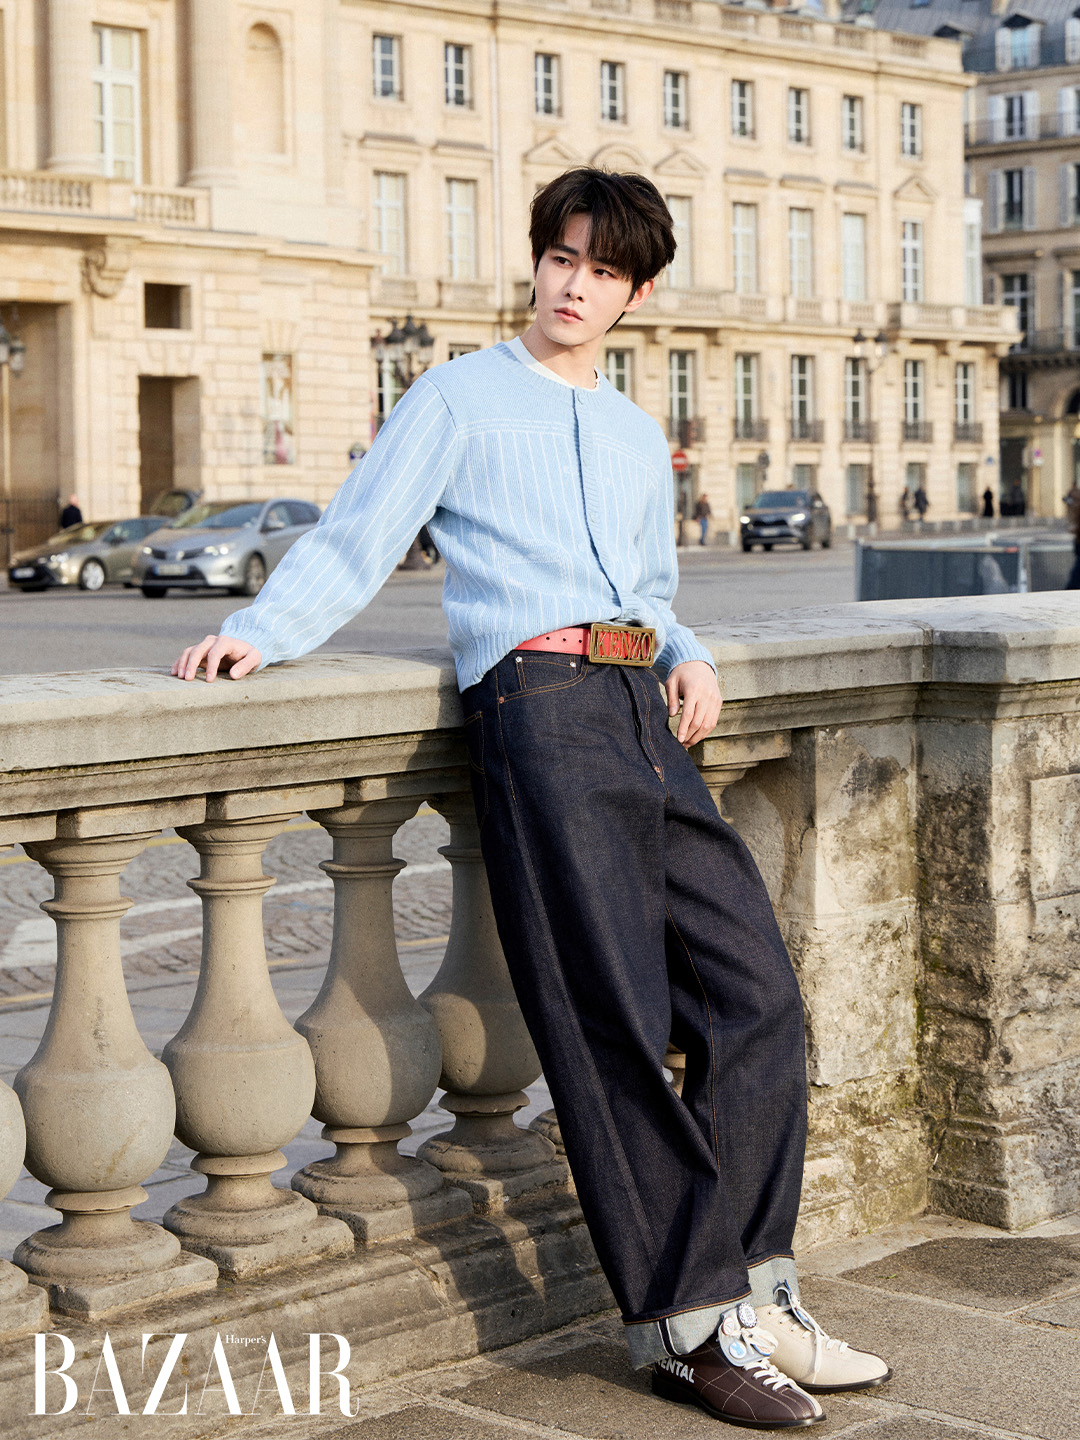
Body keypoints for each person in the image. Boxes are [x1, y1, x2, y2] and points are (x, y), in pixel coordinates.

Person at [171, 169, 889, 1430]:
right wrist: (260, 633)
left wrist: (688, 653)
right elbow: (360, 533)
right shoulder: (457, 396)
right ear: (539, 260)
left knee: (756, 995)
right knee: (611, 1012)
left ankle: (759, 1291)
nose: (573, 286)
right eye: (562, 258)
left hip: (644, 709)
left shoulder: (630, 432)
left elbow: (650, 587)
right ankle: (687, 1326)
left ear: (635, 294)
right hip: (540, 705)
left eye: (602, 271)